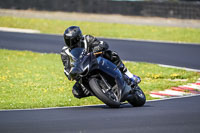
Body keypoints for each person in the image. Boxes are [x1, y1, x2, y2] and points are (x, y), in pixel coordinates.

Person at [61, 26, 140, 99]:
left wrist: (98, 47)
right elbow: (66, 68)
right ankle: (99, 91)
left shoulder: (87, 39)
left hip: (96, 61)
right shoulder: (65, 52)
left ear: (79, 37)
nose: (71, 43)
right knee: (76, 91)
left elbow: (102, 44)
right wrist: (70, 74)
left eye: (74, 40)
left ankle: (129, 75)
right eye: (68, 41)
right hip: (83, 72)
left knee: (112, 54)